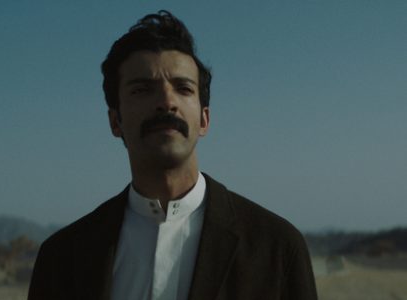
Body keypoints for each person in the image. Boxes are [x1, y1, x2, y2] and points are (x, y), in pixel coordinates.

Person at [28, 10, 318, 300]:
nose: (167, 102)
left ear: (204, 119)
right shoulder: (63, 257)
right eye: (142, 89)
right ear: (115, 121)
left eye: (183, 88)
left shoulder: (277, 248)